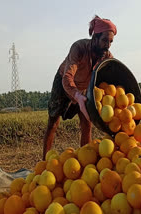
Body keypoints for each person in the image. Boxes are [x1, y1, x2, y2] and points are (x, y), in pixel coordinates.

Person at [42, 15, 117, 160]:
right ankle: (44, 161)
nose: (107, 45)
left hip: (85, 88)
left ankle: (85, 160)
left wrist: (131, 94)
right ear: (95, 37)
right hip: (64, 83)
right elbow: (67, 76)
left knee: (86, 123)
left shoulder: (106, 56)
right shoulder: (79, 48)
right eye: (104, 40)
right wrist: (76, 96)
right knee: (53, 122)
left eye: (110, 42)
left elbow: (116, 78)